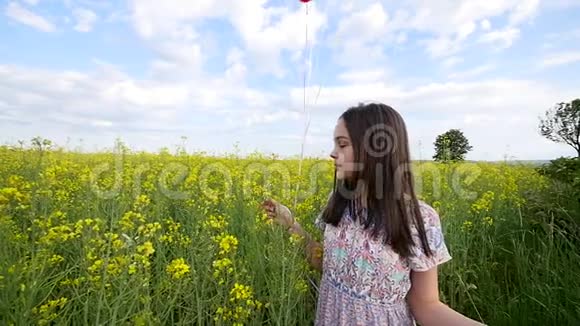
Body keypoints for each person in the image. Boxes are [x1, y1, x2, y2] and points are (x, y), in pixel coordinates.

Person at [261, 103, 485, 325]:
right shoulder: (340, 204)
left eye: (342, 144)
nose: (332, 153)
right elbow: (326, 264)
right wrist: (291, 224)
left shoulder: (419, 219)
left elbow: (426, 306)